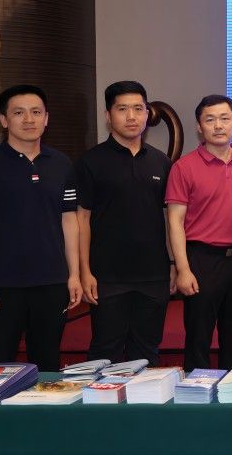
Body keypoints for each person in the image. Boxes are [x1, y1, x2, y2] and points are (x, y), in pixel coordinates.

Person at [0, 84, 82, 371]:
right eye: (18, 113)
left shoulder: (62, 164)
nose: (29, 119)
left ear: (46, 118)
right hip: (0, 287)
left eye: (36, 112)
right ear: (4, 120)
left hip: (52, 284)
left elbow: (69, 221)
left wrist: (74, 274)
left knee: (48, 368)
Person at [76, 81, 174, 365]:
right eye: (122, 109)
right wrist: (84, 271)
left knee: (147, 353)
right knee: (104, 353)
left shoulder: (161, 162)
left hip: (153, 276)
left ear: (147, 113)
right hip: (107, 276)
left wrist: (172, 264)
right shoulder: (90, 162)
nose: (131, 116)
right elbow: (81, 220)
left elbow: (169, 218)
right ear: (108, 116)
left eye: (138, 109)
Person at [165, 95, 232, 371]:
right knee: (198, 339)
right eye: (210, 119)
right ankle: (195, 394)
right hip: (202, 260)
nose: (218, 126)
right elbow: (175, 222)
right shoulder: (183, 167)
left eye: (225, 118)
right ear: (199, 126)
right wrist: (182, 269)